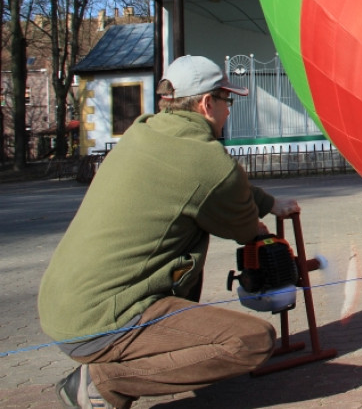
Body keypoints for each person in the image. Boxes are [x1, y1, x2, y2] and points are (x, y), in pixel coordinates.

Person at [38, 55, 301, 409]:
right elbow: (240, 222)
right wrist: (257, 223)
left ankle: (119, 365)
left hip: (62, 307)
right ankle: (102, 384)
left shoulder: (144, 132)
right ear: (208, 103)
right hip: (102, 321)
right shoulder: (209, 161)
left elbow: (207, 183)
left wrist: (268, 202)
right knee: (251, 341)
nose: (228, 111)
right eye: (228, 101)